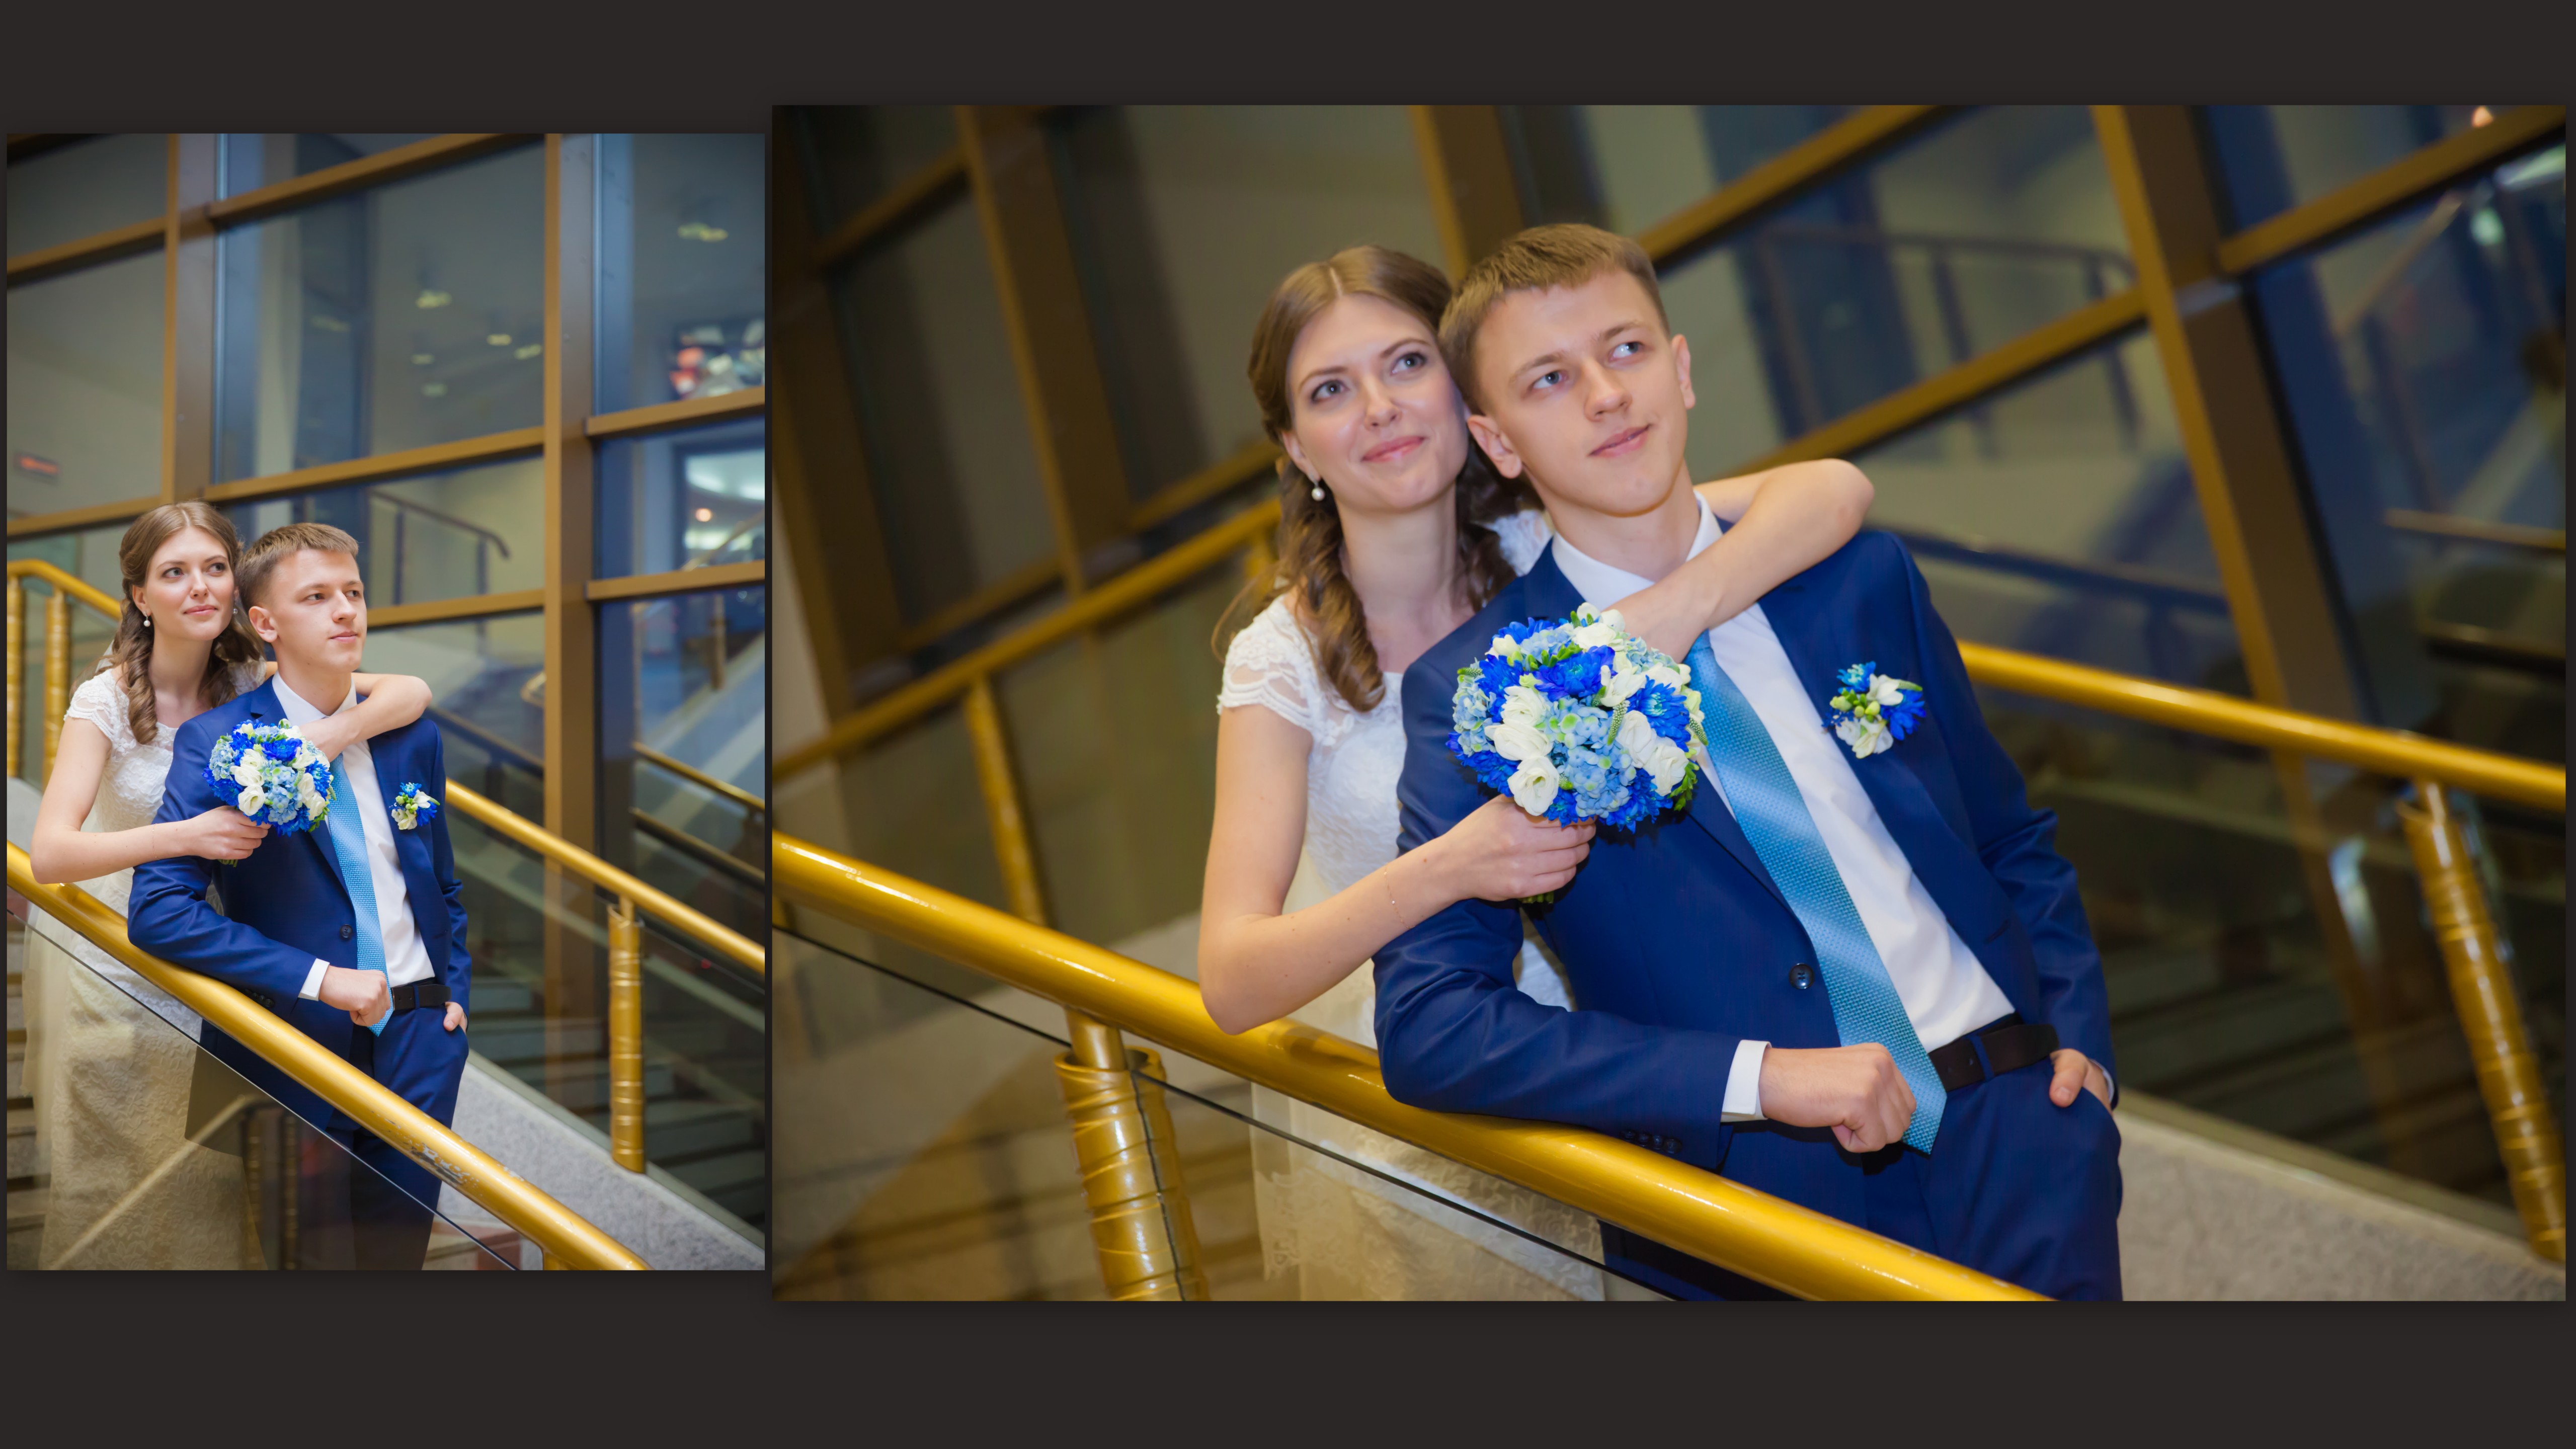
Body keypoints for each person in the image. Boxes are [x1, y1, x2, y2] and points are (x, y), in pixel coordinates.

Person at [1376, 223, 2122, 1300]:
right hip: (1755, 1210)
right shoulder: (1485, 691)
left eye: (1626, 350)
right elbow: (1434, 1026)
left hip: (2023, 1134)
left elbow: (2011, 836)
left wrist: (2080, 1056)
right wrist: (1757, 1080)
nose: (1606, 396)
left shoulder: (1858, 578)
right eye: (1550, 379)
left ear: (1680, 370)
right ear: (1496, 442)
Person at [1199, 244, 1875, 1298]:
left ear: (1470, 402)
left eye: (1408, 364)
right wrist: (1451, 867)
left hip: (1643, 1061)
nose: (1380, 408)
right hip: (1456, 1106)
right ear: (1295, 445)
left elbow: (1830, 490)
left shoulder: (1549, 549)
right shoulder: (1279, 665)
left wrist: (1658, 618)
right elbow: (1234, 980)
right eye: (1331, 390)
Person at [23, 502, 432, 1269]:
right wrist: (185, 836)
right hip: (122, 969)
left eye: (215, 568)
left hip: (228, 958)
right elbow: (48, 854)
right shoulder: (106, 699)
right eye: (174, 573)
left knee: (214, 1186)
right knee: (118, 1177)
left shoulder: (248, 681)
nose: (200, 587)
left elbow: (409, 692)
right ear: (140, 595)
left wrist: (324, 738)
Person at [128, 522, 470, 1271]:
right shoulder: (221, 743)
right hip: (292, 1047)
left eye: (353, 592)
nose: (345, 610)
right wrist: (320, 980)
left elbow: (441, 881)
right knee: (311, 1270)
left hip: (422, 1042)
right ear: (265, 623)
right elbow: (159, 914)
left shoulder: (411, 734)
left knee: (397, 1267)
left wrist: (453, 997)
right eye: (316, 597)